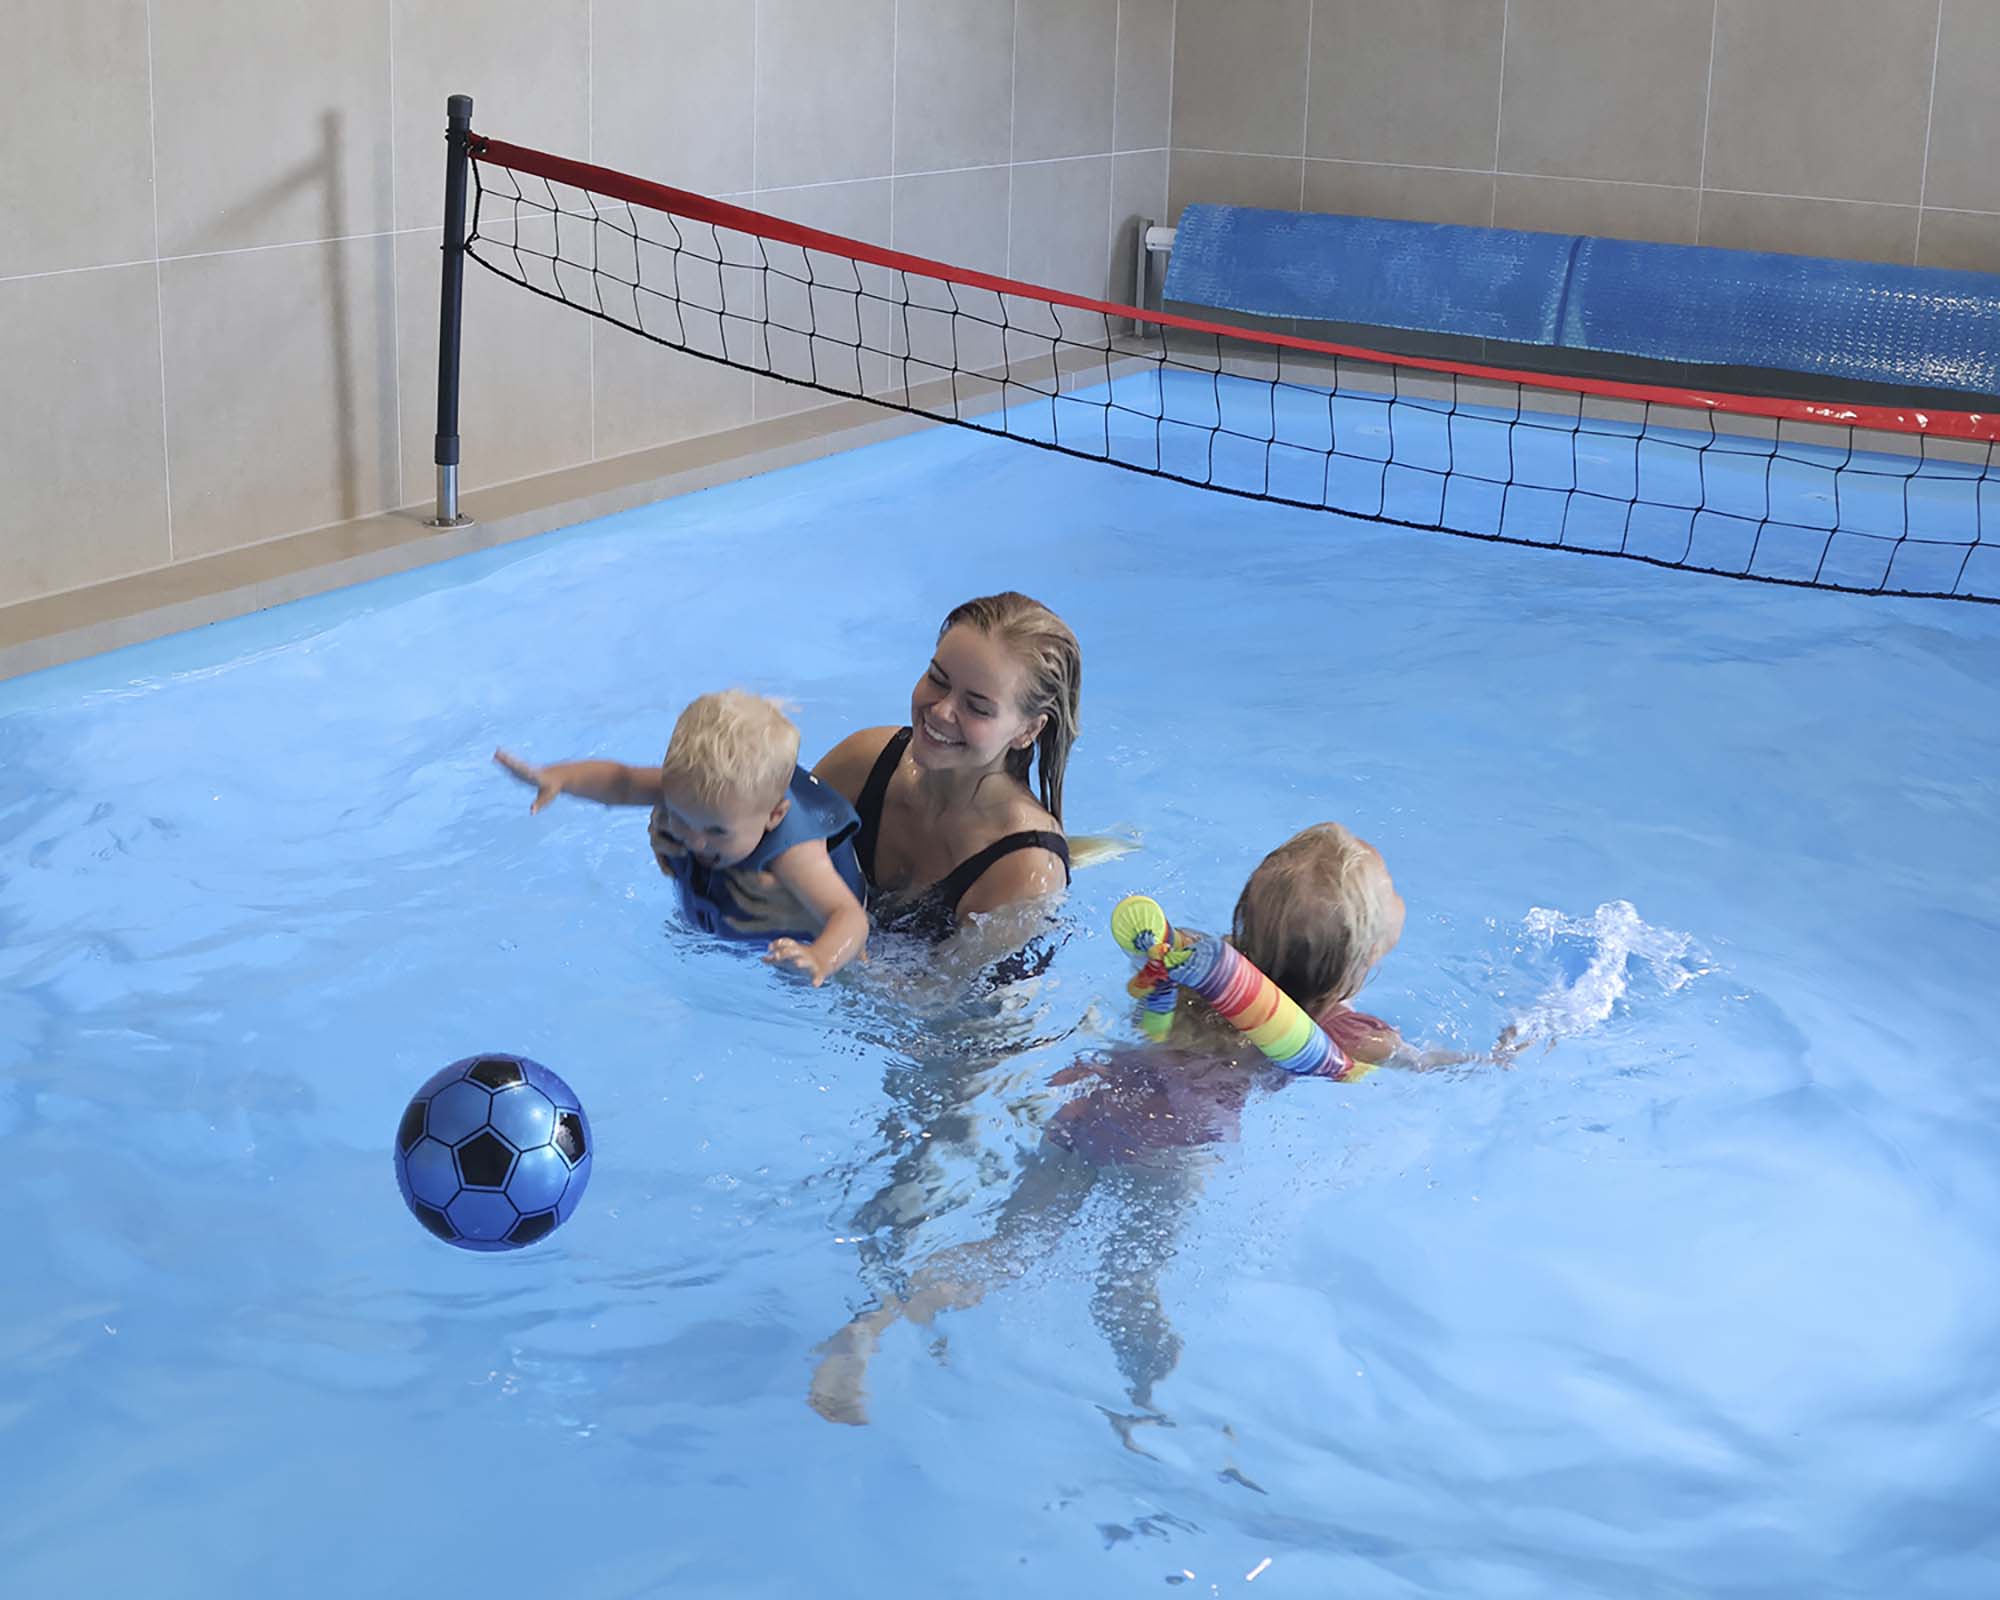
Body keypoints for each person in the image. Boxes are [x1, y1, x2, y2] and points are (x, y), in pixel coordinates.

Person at [808, 821, 1428, 1430]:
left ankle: (873, 1324)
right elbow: (1428, 1069)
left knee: (1009, 1250)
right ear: (1365, 959)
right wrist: (1493, 1060)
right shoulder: (1349, 1035)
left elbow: (1145, 1012)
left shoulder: (1192, 966)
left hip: (1096, 1109)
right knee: (1126, 1288)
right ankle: (1148, 1405)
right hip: (1171, 1156)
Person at [495, 690, 868, 986]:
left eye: (715, 831)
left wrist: (821, 958)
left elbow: (848, 916)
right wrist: (558, 778)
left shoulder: (796, 855)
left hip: (794, 943)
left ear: (774, 816)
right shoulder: (696, 791)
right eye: (681, 817)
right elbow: (622, 782)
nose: (694, 841)